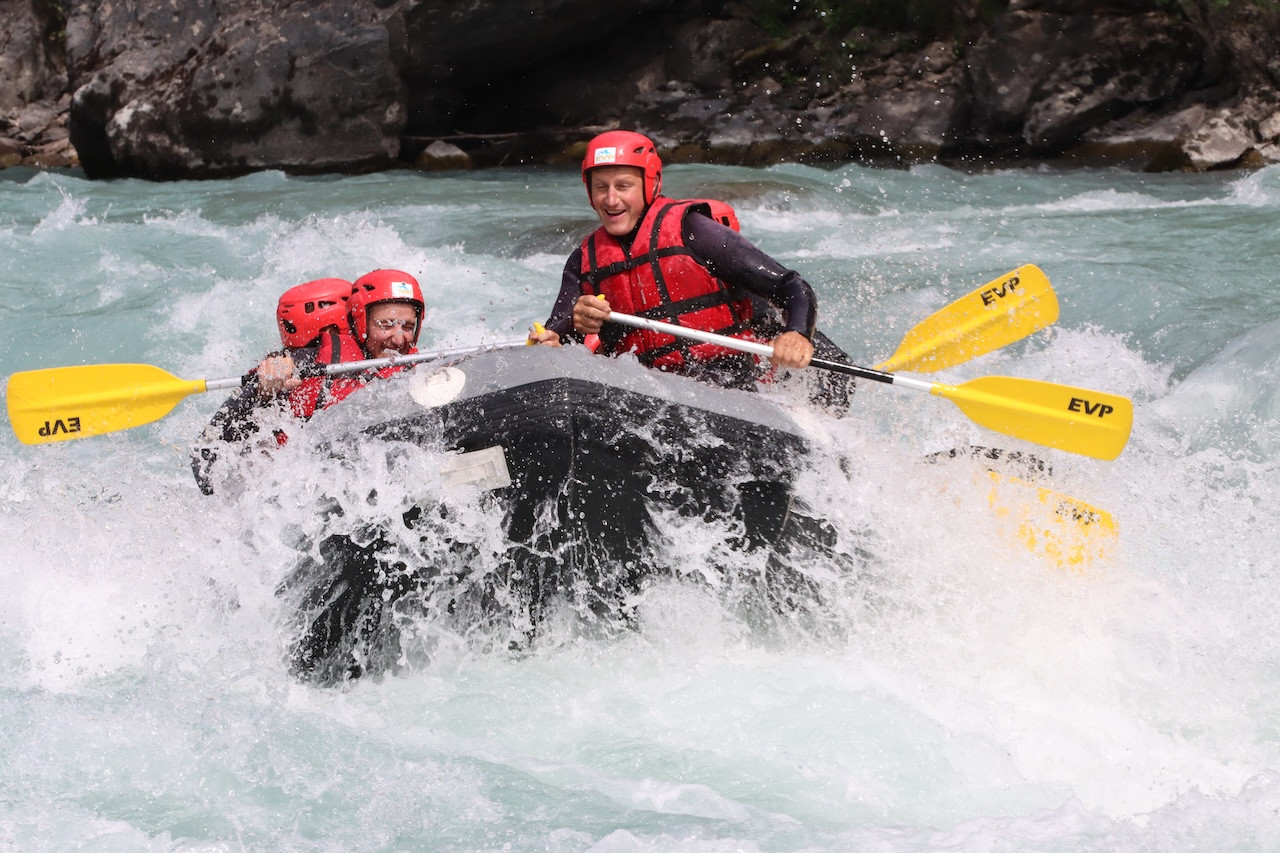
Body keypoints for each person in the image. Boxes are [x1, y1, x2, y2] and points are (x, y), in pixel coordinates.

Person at [528, 129, 818, 389]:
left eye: (623, 186)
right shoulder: (583, 260)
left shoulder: (693, 230)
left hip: (723, 381)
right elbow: (557, 337)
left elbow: (791, 285)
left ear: (649, 184)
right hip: (643, 391)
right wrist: (561, 336)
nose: (611, 199)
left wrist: (797, 333)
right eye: (601, 187)